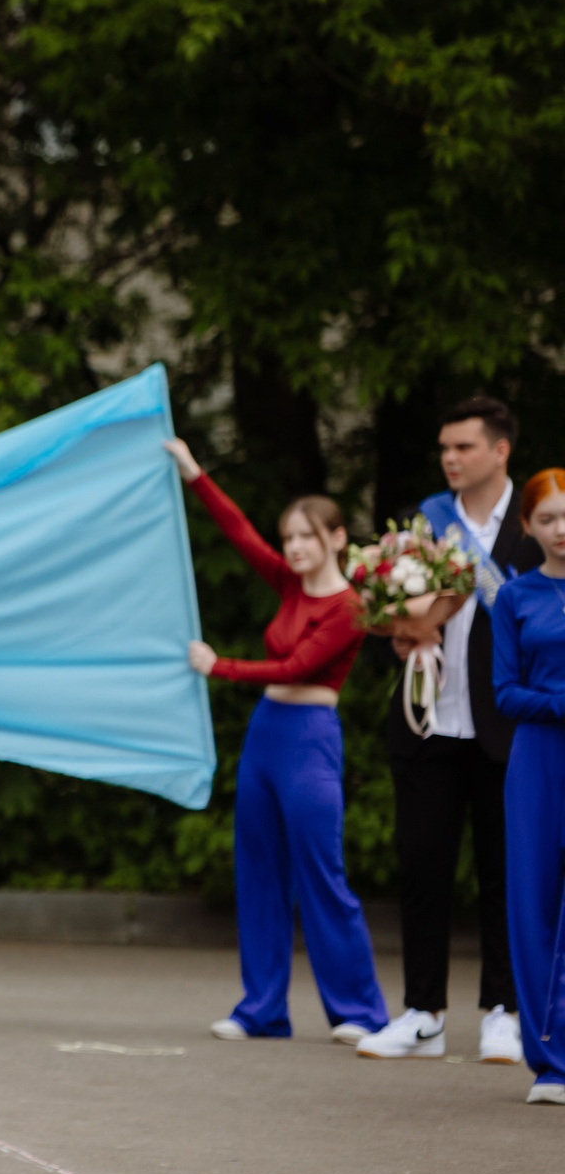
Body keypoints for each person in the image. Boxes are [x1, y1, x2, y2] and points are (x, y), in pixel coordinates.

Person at [170, 438, 390, 1044]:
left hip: (311, 739)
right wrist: (195, 475)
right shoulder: (291, 585)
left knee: (323, 873)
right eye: (288, 537)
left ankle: (360, 1013)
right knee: (259, 870)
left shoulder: (351, 606)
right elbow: (240, 534)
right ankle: (262, 1010)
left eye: (306, 537)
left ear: (336, 539)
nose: (292, 548)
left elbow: (297, 667)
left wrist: (221, 667)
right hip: (266, 736)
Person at [357, 397, 535, 1062]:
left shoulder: (536, 522)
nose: (451, 459)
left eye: (463, 447)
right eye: (444, 449)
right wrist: (401, 639)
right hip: (428, 720)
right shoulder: (423, 523)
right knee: (422, 866)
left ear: (499, 450)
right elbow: (378, 615)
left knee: (504, 872)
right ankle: (423, 1011)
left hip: (505, 727)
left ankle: (504, 1011)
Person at [490, 469, 565, 1101]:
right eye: (548, 520)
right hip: (538, 759)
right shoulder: (514, 598)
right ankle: (549, 1060)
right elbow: (505, 692)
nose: (561, 531)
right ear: (527, 528)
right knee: (533, 904)